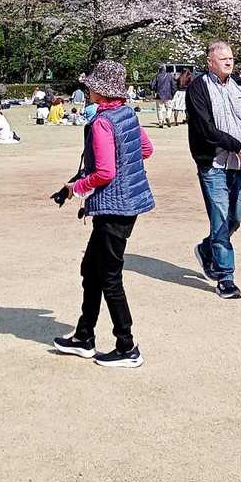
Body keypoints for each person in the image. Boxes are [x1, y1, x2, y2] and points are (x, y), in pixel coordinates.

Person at [52, 60, 155, 368]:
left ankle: (127, 346)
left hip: (113, 207)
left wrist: (76, 188)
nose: (88, 89)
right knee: (92, 269)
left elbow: (105, 172)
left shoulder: (102, 122)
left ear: (99, 90)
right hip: (129, 203)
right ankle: (84, 336)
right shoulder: (127, 114)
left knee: (109, 276)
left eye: (91, 86)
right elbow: (146, 150)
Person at [187, 41, 241, 300]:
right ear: (210, 62)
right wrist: (236, 146)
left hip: (239, 165)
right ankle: (225, 277)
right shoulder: (198, 88)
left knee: (236, 217)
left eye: (231, 58)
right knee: (220, 218)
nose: (229, 62)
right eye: (223, 59)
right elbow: (204, 128)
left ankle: (206, 249)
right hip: (212, 164)